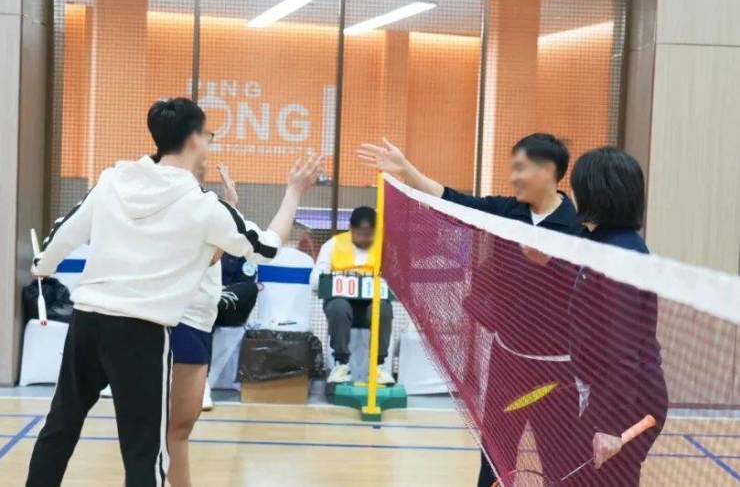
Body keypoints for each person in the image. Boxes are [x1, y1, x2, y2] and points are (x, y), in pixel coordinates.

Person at [26, 98, 322, 487]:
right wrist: (294, 192)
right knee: (144, 452)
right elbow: (267, 247)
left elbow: (62, 235)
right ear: (195, 139)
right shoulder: (204, 207)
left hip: (88, 321)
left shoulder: (112, 180)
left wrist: (42, 265)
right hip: (141, 334)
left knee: (61, 426)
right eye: (208, 135)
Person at [358, 134, 583, 487]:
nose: (514, 177)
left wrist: (553, 264)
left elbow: (588, 294)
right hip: (508, 363)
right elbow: (452, 201)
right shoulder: (507, 212)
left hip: (557, 372)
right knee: (494, 458)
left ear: (548, 172)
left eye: (522, 169)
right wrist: (406, 169)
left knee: (559, 466)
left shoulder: (577, 228)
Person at [568, 147, 668, 486]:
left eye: (578, 186)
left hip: (630, 401)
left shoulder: (620, 256)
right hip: (614, 392)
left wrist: (609, 426)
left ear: (596, 193)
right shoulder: (604, 241)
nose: (573, 193)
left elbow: (623, 349)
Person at [167, 162, 256, 487]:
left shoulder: (203, 208)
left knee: (178, 431)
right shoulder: (178, 212)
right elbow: (208, 256)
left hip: (199, 318)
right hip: (183, 319)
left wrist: (229, 206)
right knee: (175, 430)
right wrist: (230, 208)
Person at [309, 206, 394, 385]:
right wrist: (342, 278)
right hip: (340, 302)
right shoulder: (332, 245)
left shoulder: (385, 247)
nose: (364, 239)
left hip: (370, 305)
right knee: (339, 307)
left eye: (369, 234)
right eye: (360, 234)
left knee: (384, 308)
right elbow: (315, 280)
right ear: (351, 229)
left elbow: (396, 280)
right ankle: (340, 364)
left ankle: (378, 367)